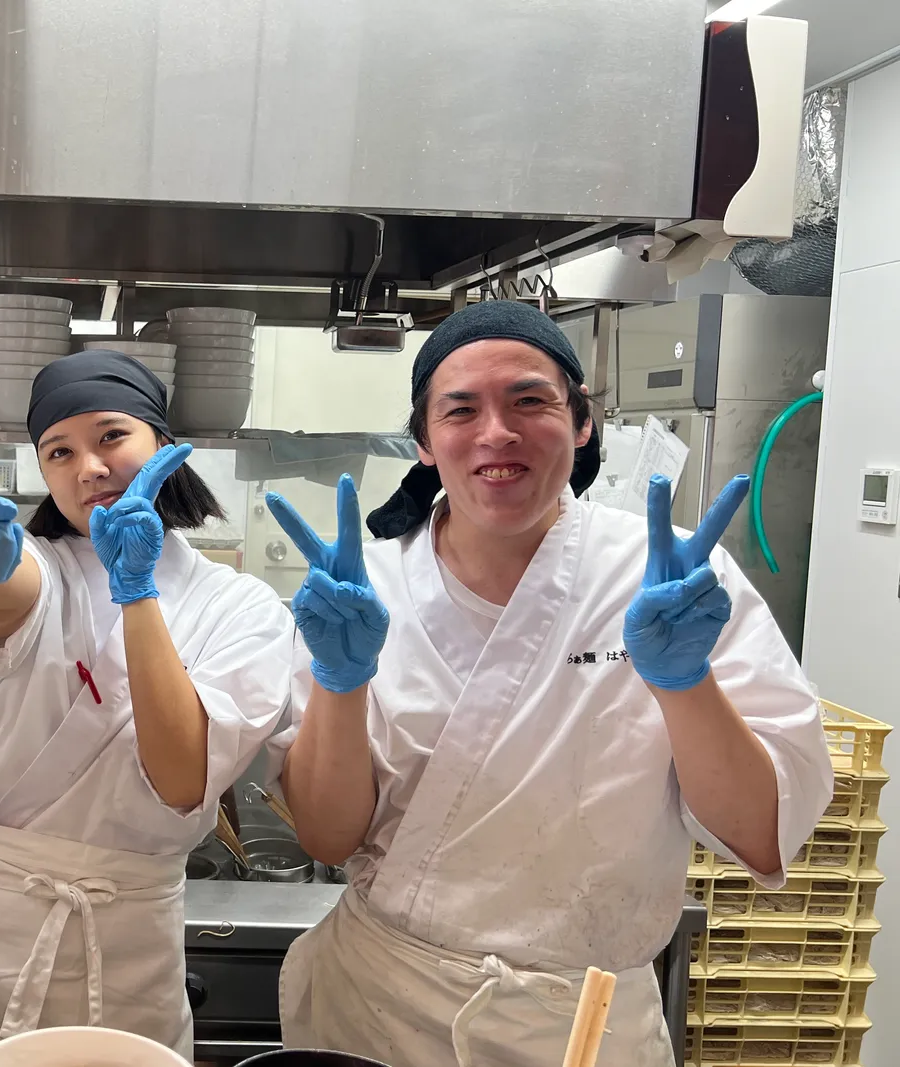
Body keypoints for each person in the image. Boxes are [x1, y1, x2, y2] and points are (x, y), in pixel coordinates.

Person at [264, 300, 834, 1067]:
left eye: (529, 400)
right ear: (424, 441)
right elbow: (327, 837)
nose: (497, 432)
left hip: (583, 1024)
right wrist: (341, 681)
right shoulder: (362, 591)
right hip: (384, 1009)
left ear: (582, 421)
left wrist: (685, 681)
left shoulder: (672, 580)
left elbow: (761, 833)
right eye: (461, 409)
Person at [0, 351, 295, 1065]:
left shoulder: (243, 609)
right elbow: (9, 593)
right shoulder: (39, 563)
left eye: (111, 436)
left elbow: (182, 777)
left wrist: (136, 591)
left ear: (162, 443)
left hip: (124, 944)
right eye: (59, 451)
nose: (88, 467)